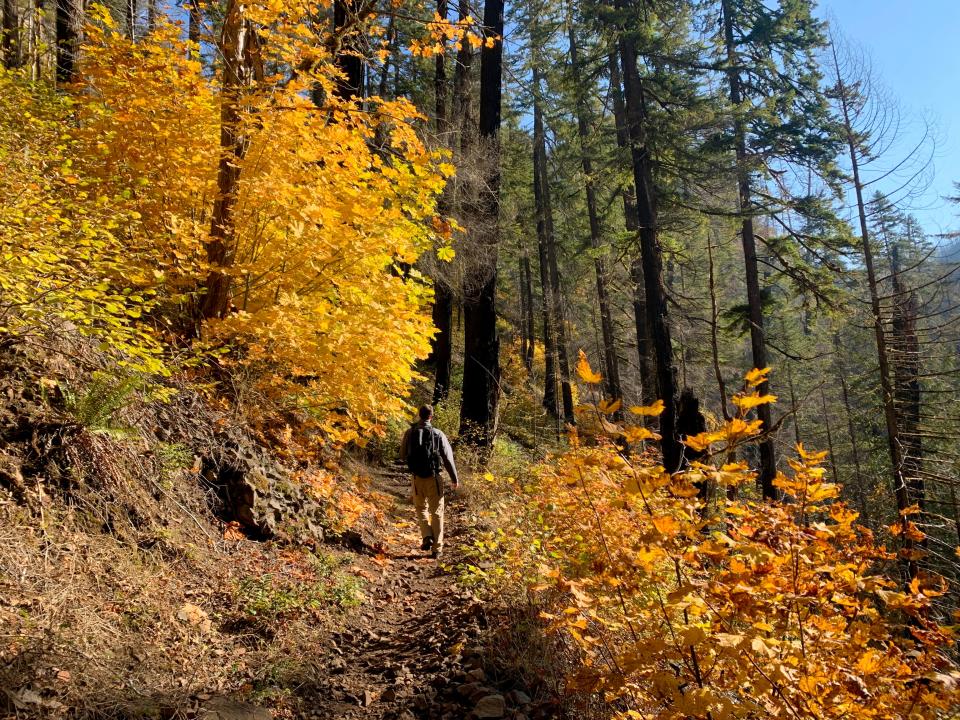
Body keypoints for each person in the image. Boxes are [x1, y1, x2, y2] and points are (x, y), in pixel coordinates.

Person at [399, 404, 460, 558]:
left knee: (420, 508)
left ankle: (426, 535)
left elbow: (402, 454)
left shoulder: (410, 432)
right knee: (437, 513)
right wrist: (454, 478)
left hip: (417, 478)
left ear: (419, 415)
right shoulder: (438, 434)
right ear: (431, 417)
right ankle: (437, 549)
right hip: (434, 478)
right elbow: (447, 458)